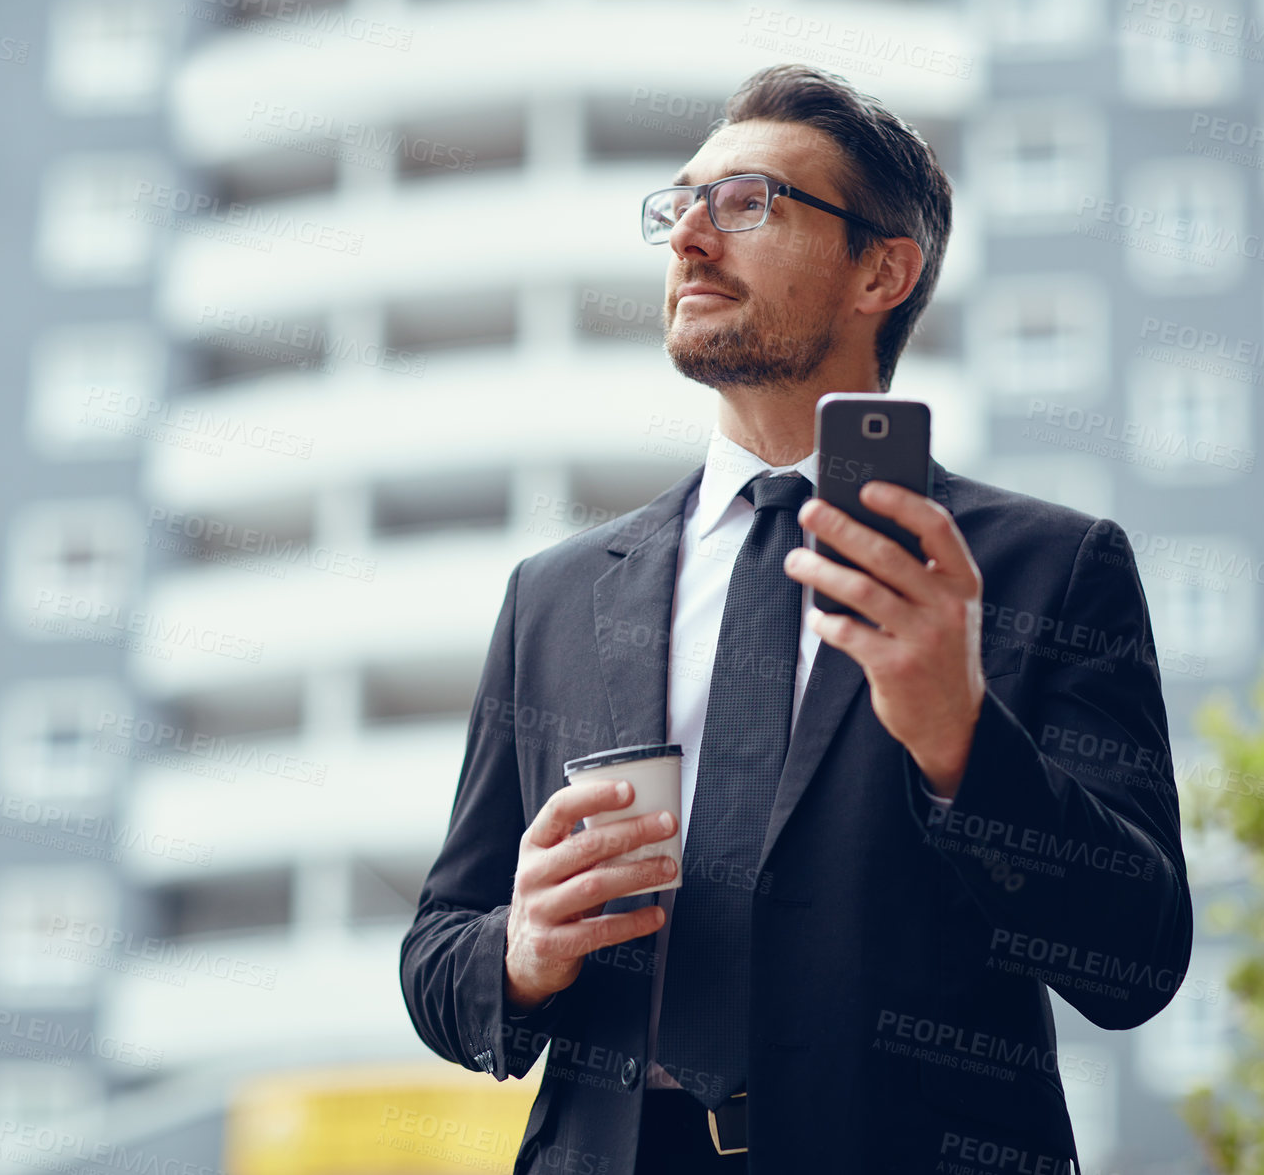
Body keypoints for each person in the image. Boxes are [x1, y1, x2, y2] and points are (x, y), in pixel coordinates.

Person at [399, 63, 1192, 1175]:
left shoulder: (1044, 570)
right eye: (679, 205)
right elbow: (439, 954)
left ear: (882, 268)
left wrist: (958, 736)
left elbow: (1135, 961)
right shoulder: (559, 594)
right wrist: (519, 950)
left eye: (748, 202)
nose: (688, 238)